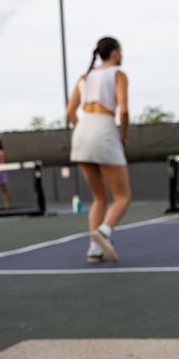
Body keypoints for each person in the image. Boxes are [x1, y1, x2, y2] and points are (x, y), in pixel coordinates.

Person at [66, 36, 133, 264]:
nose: (122, 56)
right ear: (114, 53)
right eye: (121, 51)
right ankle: (104, 232)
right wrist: (123, 135)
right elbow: (123, 110)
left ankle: (94, 249)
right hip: (103, 129)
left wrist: (84, 130)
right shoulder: (118, 74)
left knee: (99, 198)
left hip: (82, 131)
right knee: (123, 197)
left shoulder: (84, 78)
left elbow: (69, 113)